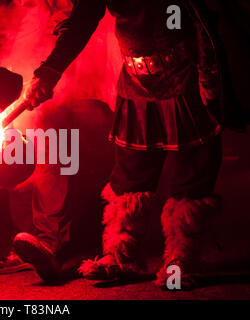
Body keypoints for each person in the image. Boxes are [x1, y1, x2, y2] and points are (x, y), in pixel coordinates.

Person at [14, 0, 226, 289]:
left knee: (191, 174)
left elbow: (194, 13)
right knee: (131, 175)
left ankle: (181, 261)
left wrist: (208, 71)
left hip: (185, 76)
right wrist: (50, 71)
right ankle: (120, 257)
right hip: (136, 81)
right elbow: (84, 18)